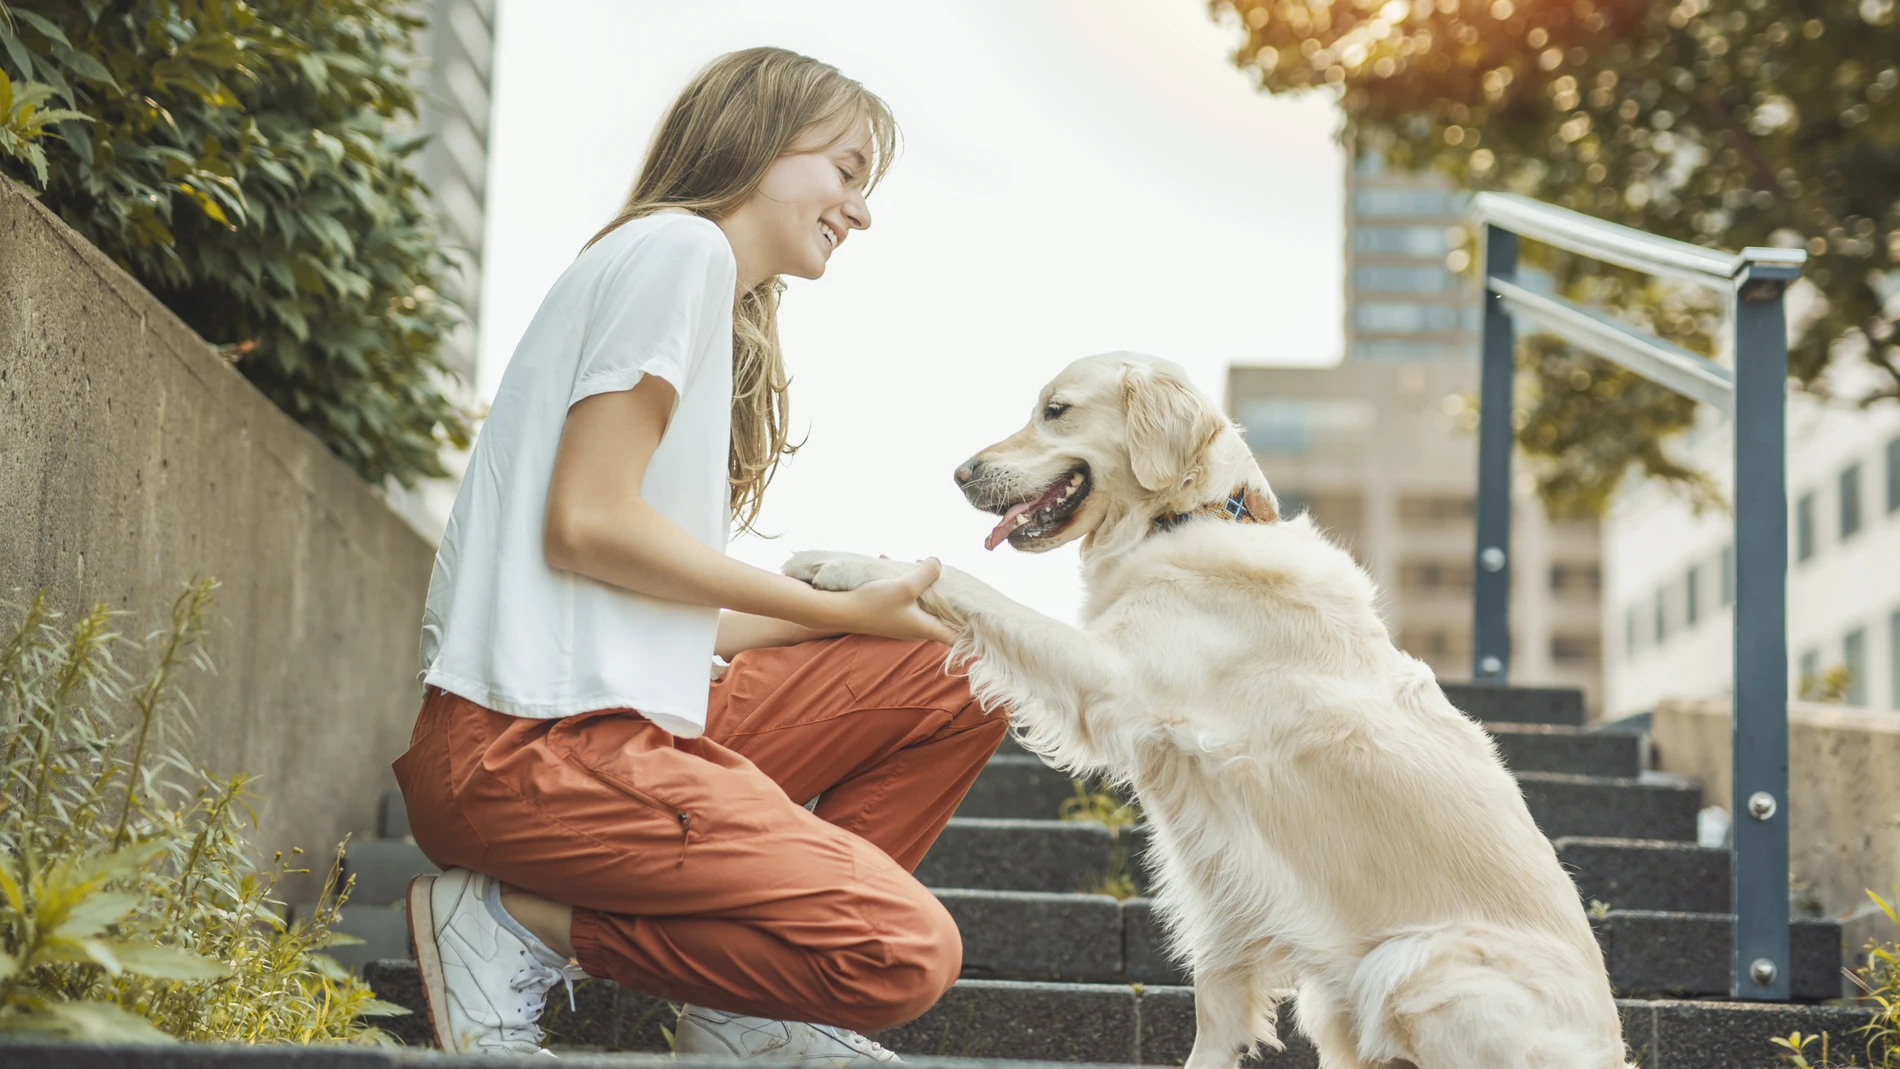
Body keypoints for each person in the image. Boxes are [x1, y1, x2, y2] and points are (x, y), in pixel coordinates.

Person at [393, 46, 1004, 1062]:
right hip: (526, 752)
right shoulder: (682, 251)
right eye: (846, 170)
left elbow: (630, 596)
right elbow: (586, 523)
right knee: (897, 949)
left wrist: (873, 614)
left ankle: (746, 1014)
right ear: (759, 142)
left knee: (961, 665)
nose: (859, 209)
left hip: (616, 721)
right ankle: (515, 924)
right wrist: (839, 611)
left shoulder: (686, 278)